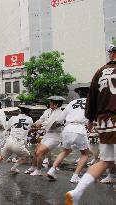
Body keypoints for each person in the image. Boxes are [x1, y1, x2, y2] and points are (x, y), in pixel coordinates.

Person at [65, 44, 116, 205]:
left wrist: (90, 119)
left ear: (112, 54)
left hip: (104, 122)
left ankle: (77, 192)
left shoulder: (99, 72)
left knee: (105, 161)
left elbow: (91, 100)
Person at [47, 87, 90, 183]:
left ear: (79, 94)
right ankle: (75, 176)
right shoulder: (90, 102)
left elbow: (60, 119)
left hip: (67, 129)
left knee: (65, 151)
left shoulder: (72, 103)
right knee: (85, 154)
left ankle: (52, 170)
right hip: (79, 129)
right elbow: (90, 120)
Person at [0, 104, 33, 174]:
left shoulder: (13, 118)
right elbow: (29, 130)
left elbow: (7, 128)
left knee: (1, 157)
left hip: (9, 140)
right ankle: (13, 168)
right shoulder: (30, 119)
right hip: (19, 143)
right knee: (26, 156)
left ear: (20, 111)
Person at [25, 96, 65, 176]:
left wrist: (40, 124)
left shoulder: (60, 113)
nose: (49, 103)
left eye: (51, 102)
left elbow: (50, 123)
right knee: (36, 151)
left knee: (40, 152)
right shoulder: (48, 111)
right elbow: (41, 119)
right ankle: (33, 167)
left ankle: (38, 170)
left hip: (55, 136)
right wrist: (36, 123)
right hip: (47, 134)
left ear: (56, 104)